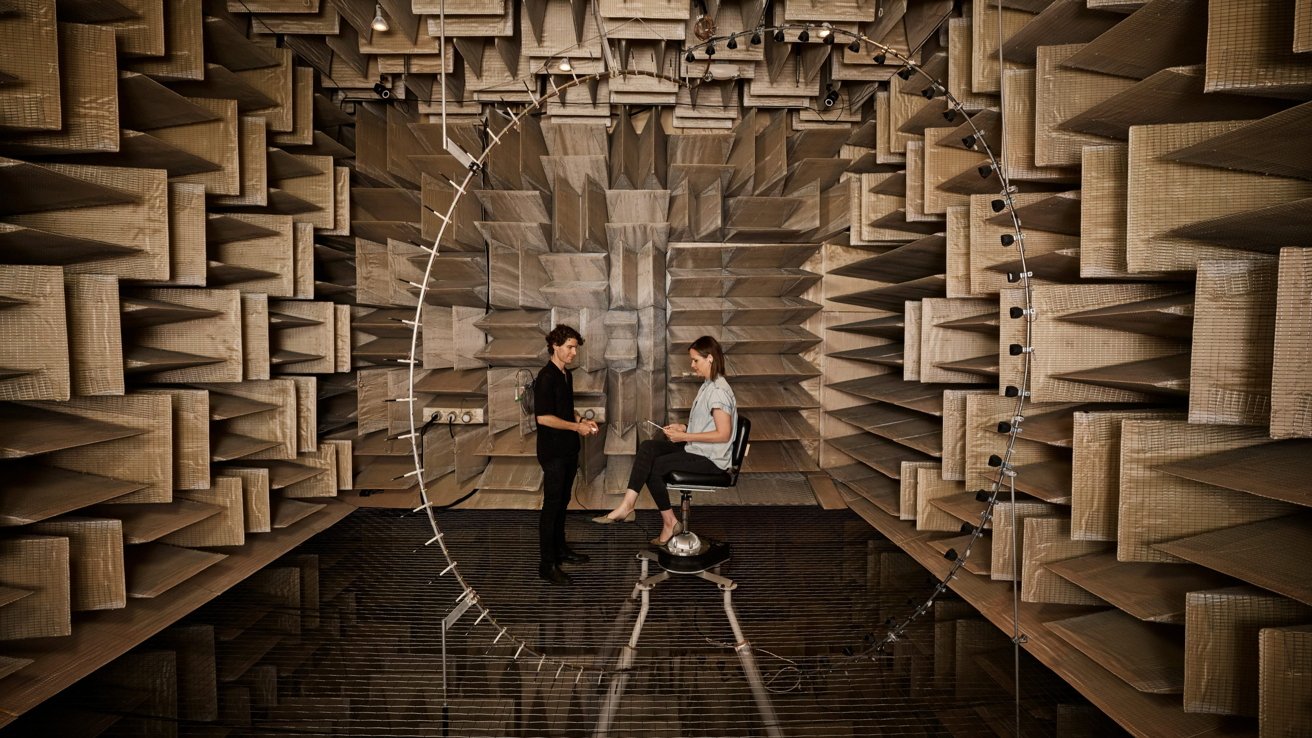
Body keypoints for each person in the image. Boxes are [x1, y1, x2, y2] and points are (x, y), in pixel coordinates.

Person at [592, 335, 736, 546]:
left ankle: (667, 522)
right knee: (648, 447)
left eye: (696, 360)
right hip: (700, 450)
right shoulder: (708, 385)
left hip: (712, 460)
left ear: (710, 359)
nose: (692, 365)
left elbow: (723, 434)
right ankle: (629, 505)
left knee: (655, 466)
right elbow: (710, 425)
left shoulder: (718, 392)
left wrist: (684, 437)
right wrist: (684, 428)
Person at [535, 325, 599, 586]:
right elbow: (544, 417)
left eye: (576, 348)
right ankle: (547, 564)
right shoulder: (546, 377)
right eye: (570, 347)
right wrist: (577, 427)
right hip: (552, 453)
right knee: (551, 507)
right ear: (555, 346)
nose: (574, 353)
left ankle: (560, 550)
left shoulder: (566, 375)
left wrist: (582, 420)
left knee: (562, 503)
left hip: (569, 449)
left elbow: (565, 410)